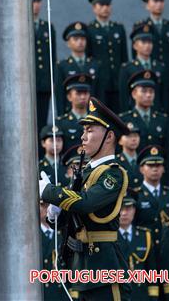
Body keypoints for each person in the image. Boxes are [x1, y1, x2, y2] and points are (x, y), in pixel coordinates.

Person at [39, 97, 131, 301]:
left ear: (109, 137)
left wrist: (49, 192)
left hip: (105, 268)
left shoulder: (113, 173)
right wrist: (55, 215)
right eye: (84, 131)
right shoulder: (87, 172)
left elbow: (86, 202)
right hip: (81, 268)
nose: (83, 137)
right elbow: (71, 217)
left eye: (90, 131)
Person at [119, 69, 169, 186]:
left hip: (156, 179)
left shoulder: (162, 119)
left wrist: (166, 184)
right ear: (134, 94)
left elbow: (167, 154)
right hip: (132, 177)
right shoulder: (124, 119)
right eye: (143, 91)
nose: (148, 95)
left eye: (151, 91)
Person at [118, 23, 169, 116]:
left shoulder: (160, 67)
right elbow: (124, 99)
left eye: (150, 42)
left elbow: (165, 97)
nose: (147, 45)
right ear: (135, 45)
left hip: (157, 115)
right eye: (143, 42)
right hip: (135, 116)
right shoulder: (127, 68)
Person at [133, 144, 169, 247]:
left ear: (163, 169)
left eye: (158, 165)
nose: (155, 169)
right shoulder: (136, 196)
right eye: (150, 165)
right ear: (141, 169)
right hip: (145, 248)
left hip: (167, 248)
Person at [54, 22, 106, 110]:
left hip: (92, 113)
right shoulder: (62, 66)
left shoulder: (96, 65)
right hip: (71, 114)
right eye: (76, 39)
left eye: (82, 39)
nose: (80, 42)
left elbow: (100, 94)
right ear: (68, 43)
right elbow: (60, 96)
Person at [117, 196, 157, 301]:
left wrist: (153, 296)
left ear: (134, 210)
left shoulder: (145, 236)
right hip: (118, 294)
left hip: (140, 294)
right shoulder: (109, 237)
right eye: (121, 208)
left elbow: (151, 269)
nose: (124, 213)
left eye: (128, 208)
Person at [134, 0, 169, 69]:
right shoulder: (140, 27)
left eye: (161, 1)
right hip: (149, 74)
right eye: (155, 1)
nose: (159, 4)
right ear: (147, 5)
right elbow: (135, 56)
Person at [33, 0, 57, 127]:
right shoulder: (20, 26)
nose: (35, 5)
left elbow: (52, 56)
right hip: (27, 83)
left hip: (43, 82)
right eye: (32, 1)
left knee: (42, 120)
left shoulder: (47, 27)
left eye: (38, 1)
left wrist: (52, 79)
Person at [55, 74, 94, 151]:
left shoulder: (95, 121)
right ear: (69, 97)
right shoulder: (61, 123)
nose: (83, 97)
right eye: (78, 93)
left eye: (85, 93)